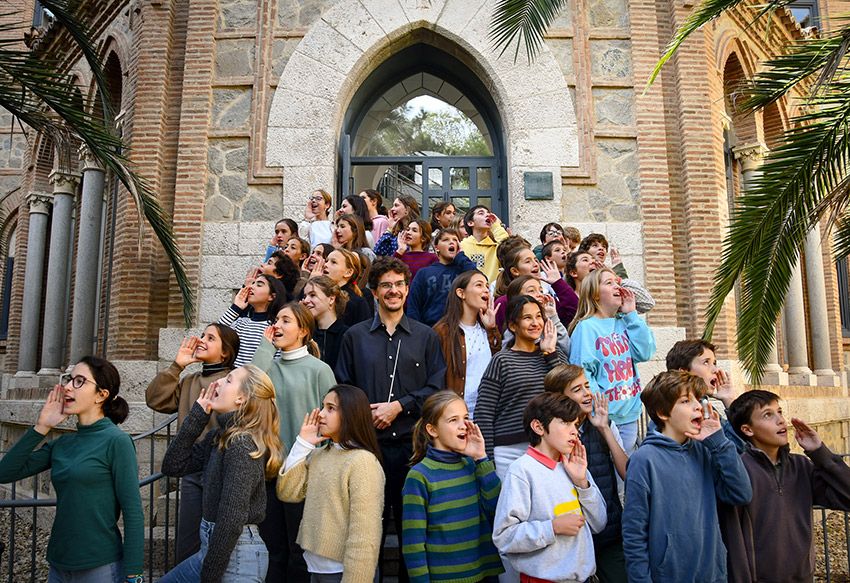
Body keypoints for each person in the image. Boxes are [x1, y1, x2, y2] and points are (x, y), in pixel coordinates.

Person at [335, 256, 447, 583]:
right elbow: (344, 387)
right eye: (386, 285)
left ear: (408, 289)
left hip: (413, 453)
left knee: (413, 538)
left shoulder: (426, 337)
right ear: (374, 292)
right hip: (368, 452)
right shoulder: (354, 337)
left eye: (399, 285)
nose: (393, 291)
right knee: (368, 537)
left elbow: (436, 389)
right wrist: (363, 413)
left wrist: (398, 407)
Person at [0, 357, 144, 583]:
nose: (67, 386)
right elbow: (4, 473)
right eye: (69, 379)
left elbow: (133, 511)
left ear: (101, 395)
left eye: (79, 381)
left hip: (100, 566)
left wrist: (134, 574)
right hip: (58, 564)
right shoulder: (63, 444)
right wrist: (42, 426)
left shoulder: (117, 442)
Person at [622, 371, 752, 583]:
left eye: (698, 400)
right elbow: (634, 533)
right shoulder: (644, 460)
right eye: (685, 401)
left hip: (712, 574)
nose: (698, 406)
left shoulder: (706, 450)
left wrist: (719, 442)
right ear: (663, 412)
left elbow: (741, 494)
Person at [160, 366, 283, 583]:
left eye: (228, 380)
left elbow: (231, 518)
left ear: (241, 398)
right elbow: (173, 465)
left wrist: (209, 576)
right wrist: (198, 414)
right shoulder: (219, 437)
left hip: (237, 559)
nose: (217, 384)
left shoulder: (241, 445)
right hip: (212, 551)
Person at [721, 390, 850, 583]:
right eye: (768, 415)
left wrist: (820, 452)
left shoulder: (801, 467)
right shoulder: (739, 472)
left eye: (779, 412)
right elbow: (733, 538)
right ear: (748, 429)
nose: (781, 420)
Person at [252, 302, 337, 583]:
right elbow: (249, 390)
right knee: (272, 551)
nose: (277, 325)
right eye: (275, 319)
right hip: (270, 471)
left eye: (285, 321)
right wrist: (266, 348)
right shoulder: (268, 366)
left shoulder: (319, 370)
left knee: (299, 553)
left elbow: (332, 421)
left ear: (302, 330)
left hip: (305, 474)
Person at [145, 324, 240, 562]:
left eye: (210, 338)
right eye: (202, 335)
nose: (201, 341)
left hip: (220, 469)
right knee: (187, 542)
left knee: (217, 540)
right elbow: (156, 399)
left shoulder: (233, 382)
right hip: (191, 471)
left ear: (225, 351)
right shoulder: (190, 380)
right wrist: (177, 366)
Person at [492, 392, 607, 583]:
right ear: (538, 426)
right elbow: (504, 537)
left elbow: (599, 523)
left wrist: (582, 483)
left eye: (576, 424)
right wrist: (552, 528)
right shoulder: (522, 471)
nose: (574, 431)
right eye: (565, 422)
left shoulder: (575, 466)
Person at [277, 385, 386, 582]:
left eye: (330, 408)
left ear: (350, 414)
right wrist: (303, 443)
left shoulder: (362, 461)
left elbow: (365, 534)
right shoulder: (320, 455)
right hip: (316, 569)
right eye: (323, 406)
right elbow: (288, 492)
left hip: (342, 572)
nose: (320, 414)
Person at [402, 391, 503, 582]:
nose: (464, 425)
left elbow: (498, 510)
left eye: (466, 418)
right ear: (432, 430)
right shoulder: (420, 476)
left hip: (484, 575)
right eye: (453, 420)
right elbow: (413, 544)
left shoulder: (474, 465)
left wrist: (481, 458)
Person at [543, 364, 628, 583]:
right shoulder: (548, 435)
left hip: (609, 532)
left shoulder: (604, 424)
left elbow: (628, 472)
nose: (587, 393)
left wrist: (604, 429)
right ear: (560, 398)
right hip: (573, 539)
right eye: (577, 389)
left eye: (587, 386)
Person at [475, 295, 566, 478]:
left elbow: (568, 393)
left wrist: (550, 353)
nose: (535, 323)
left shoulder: (554, 354)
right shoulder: (502, 360)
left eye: (538, 316)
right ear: (512, 325)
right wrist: (487, 459)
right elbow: (484, 413)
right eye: (527, 318)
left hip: (548, 446)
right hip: (509, 452)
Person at [569, 268, 656, 454]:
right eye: (609, 283)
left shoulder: (625, 321)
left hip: (630, 415)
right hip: (605, 418)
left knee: (626, 472)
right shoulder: (586, 328)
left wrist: (632, 314)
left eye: (617, 282)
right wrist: (598, 410)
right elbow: (582, 373)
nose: (617, 286)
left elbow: (645, 352)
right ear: (595, 294)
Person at [432, 271, 500, 418]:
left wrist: (492, 329)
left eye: (487, 286)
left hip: (487, 414)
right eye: (479, 285)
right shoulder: (443, 331)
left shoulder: (488, 329)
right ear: (461, 293)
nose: (486, 290)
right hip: (457, 414)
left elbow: (498, 366)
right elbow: (435, 377)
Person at [666, 339, 745, 450]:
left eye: (714, 363)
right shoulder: (673, 411)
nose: (715, 370)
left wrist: (730, 401)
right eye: (706, 362)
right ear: (683, 372)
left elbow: (741, 448)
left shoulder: (706, 407)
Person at [493, 244, 577, 331]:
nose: (535, 264)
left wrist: (558, 283)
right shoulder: (504, 302)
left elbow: (574, 315)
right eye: (528, 261)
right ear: (515, 271)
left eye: (536, 260)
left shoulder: (546, 299)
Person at [407, 228, 477, 326]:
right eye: (446, 240)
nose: (451, 242)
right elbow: (413, 307)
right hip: (430, 329)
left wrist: (460, 256)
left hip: (460, 329)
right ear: (436, 248)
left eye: (455, 240)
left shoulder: (464, 270)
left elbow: (478, 278)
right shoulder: (424, 273)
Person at [219, 273, 288, 367]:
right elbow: (216, 334)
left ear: (272, 296)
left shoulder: (276, 328)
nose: (251, 287)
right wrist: (236, 307)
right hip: (232, 378)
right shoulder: (241, 322)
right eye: (253, 283)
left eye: (259, 285)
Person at [566, 249, 655, 314]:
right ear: (573, 272)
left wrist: (614, 279)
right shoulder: (570, 300)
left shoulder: (608, 297)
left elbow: (647, 303)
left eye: (593, 259)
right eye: (585, 260)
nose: (593, 262)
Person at [500, 275, 571, 356]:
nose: (540, 294)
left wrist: (553, 316)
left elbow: (567, 350)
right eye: (531, 291)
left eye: (541, 291)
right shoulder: (515, 327)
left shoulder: (544, 322)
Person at [301, 276, 350, 371]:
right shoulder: (305, 334)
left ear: (331, 299)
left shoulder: (347, 335)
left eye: (312, 295)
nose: (306, 301)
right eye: (305, 296)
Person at [314, 248, 373, 326]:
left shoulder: (357, 303)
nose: (325, 265)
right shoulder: (317, 291)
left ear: (348, 272)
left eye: (333, 262)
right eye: (327, 261)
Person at [460, 205, 509, 282]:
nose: (487, 215)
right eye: (481, 213)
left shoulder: (496, 247)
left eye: (488, 213)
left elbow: (510, 249)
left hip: (490, 292)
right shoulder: (461, 246)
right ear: (470, 222)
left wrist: (496, 226)